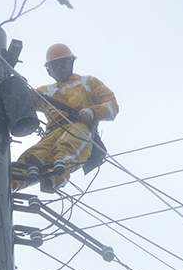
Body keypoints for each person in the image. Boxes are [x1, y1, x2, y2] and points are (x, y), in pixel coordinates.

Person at [12, 43, 119, 193]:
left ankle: (56, 175)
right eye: (54, 66)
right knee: (32, 156)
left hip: (79, 127)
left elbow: (112, 107)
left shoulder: (88, 82)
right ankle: (4, 184)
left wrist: (92, 112)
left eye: (62, 64)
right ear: (49, 70)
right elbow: (22, 101)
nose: (59, 68)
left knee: (66, 148)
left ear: (71, 63)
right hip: (53, 132)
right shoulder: (46, 91)